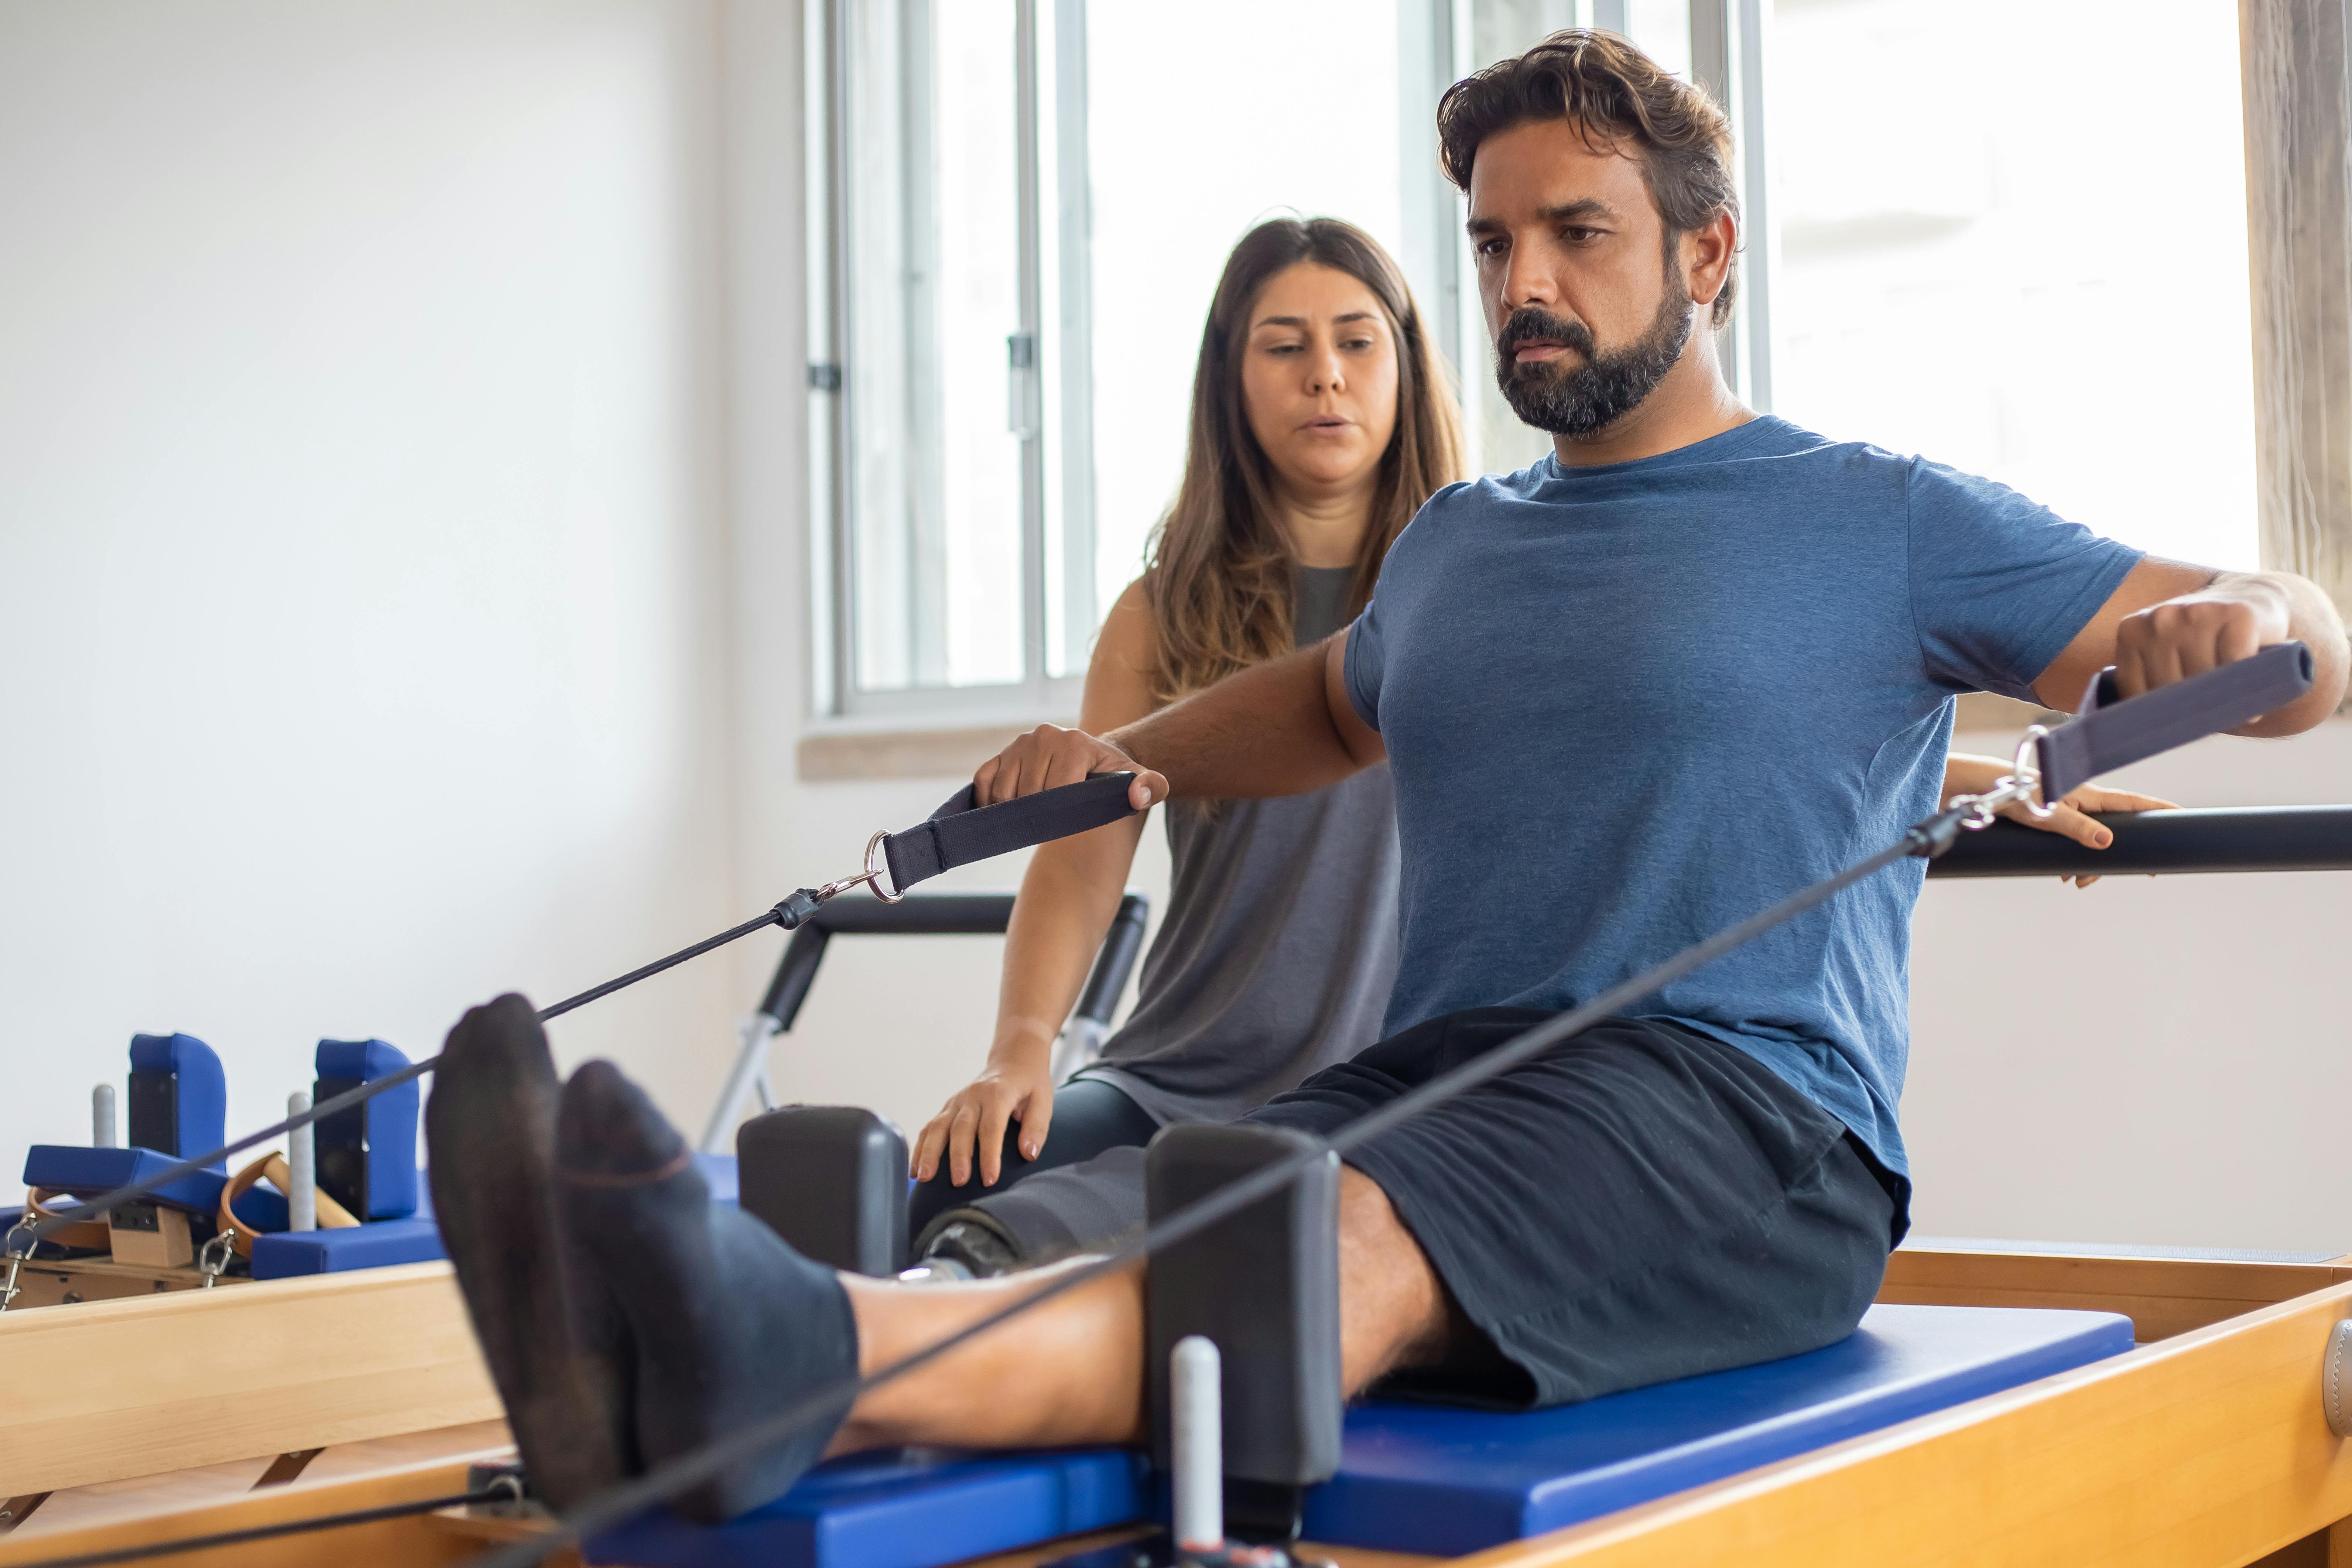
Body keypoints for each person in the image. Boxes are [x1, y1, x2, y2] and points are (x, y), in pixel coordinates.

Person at [426, 30, 2347, 1521]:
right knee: (1095, 1208)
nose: (1525, 280)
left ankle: (774, 1359)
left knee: (1306, 1238)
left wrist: (2261, 611)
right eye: (1496, 241)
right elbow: (1333, 703)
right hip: (1443, 1081)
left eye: (1574, 233)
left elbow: (2300, 657)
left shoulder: (1879, 516)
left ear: (1705, 253)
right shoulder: (1459, 543)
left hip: (1741, 1130)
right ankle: (681, 1347)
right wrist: (1118, 761)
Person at [906, 220, 2169, 1278]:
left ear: (1406, 365)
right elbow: (1090, 832)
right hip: (1197, 1061)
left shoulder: (1490, 560)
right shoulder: (1184, 603)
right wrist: (1022, 1047)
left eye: (1355, 343)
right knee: (962, 1200)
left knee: (1262, 1245)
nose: (1325, 378)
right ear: (1229, 382)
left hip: (1407, 1070)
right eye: (1283, 349)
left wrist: (1975, 785)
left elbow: (1679, 731)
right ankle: (912, 1319)